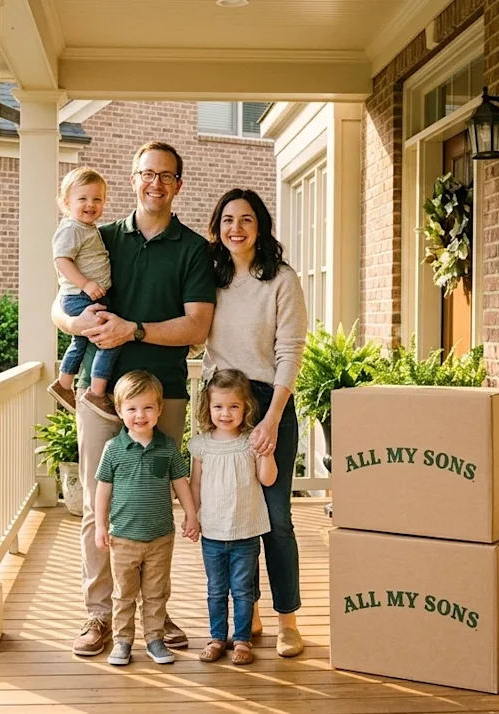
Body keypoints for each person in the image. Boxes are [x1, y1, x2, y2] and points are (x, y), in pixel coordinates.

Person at [51, 141, 216, 657]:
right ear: (133, 179)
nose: (155, 183)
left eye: (166, 176)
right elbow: (60, 299)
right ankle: (99, 616)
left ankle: (155, 617)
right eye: (147, 174)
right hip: (102, 396)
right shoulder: (100, 234)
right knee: (95, 502)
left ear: (178, 186)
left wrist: (134, 330)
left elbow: (197, 326)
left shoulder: (193, 249)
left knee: (156, 506)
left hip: (163, 389)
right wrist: (71, 321)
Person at [202, 188, 308, 657]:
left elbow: (290, 352)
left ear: (260, 226)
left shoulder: (282, 280)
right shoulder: (209, 278)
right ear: (217, 226)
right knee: (230, 515)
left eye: (246, 219)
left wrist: (270, 418)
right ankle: (249, 614)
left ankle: (288, 620)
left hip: (268, 402)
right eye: (227, 219)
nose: (236, 228)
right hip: (220, 403)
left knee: (277, 519)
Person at [94, 371, 200, 666]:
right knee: (124, 594)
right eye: (132, 408)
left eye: (148, 408)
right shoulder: (113, 450)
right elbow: (103, 491)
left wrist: (191, 516)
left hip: (160, 537)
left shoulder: (167, 447)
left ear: (159, 410)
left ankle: (154, 639)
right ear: (119, 411)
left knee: (156, 593)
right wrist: (101, 526)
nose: (140, 415)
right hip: (124, 538)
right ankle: (122, 641)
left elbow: (181, 483)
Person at [188, 369, 275, 666]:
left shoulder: (251, 441)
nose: (225, 413)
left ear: (246, 408)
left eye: (233, 406)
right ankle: (216, 638)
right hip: (212, 532)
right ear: (208, 408)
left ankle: (241, 639)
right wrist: (192, 517)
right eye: (218, 407)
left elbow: (268, 479)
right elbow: (195, 484)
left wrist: (267, 453)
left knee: (242, 590)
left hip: (246, 532)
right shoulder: (201, 445)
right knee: (215, 589)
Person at [46, 167, 120, 421]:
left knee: (80, 341)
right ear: (66, 203)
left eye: (97, 199)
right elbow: (62, 260)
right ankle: (96, 392)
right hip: (80, 295)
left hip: (85, 296)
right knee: (110, 338)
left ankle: (63, 384)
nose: (91, 204)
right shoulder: (71, 229)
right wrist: (87, 284)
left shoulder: (88, 229)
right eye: (83, 199)